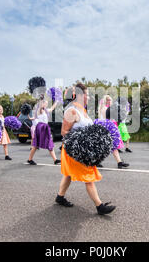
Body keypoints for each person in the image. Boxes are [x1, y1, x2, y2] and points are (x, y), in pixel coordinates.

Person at [56, 83, 116, 215]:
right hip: (75, 151)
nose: (88, 98)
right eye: (87, 95)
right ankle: (99, 206)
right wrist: (82, 143)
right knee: (88, 177)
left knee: (68, 175)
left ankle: (60, 197)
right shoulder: (71, 111)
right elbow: (64, 132)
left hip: (83, 150)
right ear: (79, 95)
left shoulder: (83, 111)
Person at [27, 98, 60, 165]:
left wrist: (56, 101)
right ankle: (30, 159)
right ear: (42, 104)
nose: (47, 104)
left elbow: (52, 108)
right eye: (46, 103)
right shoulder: (40, 110)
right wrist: (41, 103)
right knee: (36, 145)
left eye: (47, 103)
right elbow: (39, 109)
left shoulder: (45, 110)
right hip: (41, 128)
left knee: (48, 143)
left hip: (44, 127)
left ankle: (55, 160)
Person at [99, 96, 130, 169]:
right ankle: (96, 161)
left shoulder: (109, 108)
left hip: (110, 128)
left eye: (110, 100)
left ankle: (119, 162)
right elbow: (107, 119)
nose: (110, 101)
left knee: (113, 146)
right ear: (105, 101)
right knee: (105, 146)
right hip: (106, 128)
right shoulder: (105, 108)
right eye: (108, 100)